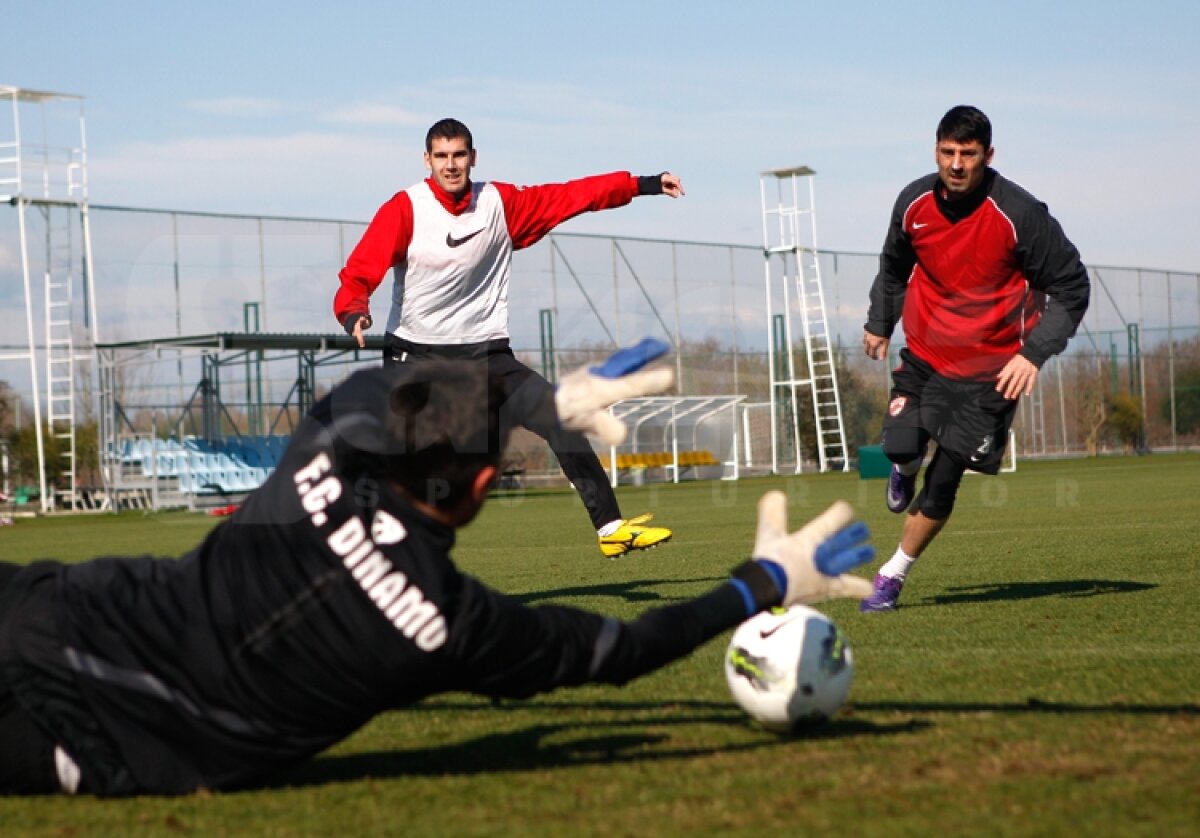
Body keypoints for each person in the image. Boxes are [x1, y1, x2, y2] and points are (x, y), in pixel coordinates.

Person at [0, 352, 875, 796]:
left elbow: (380, 390)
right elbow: (625, 646)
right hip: (101, 743)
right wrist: (764, 580)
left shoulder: (325, 455)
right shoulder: (452, 624)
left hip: (51, 605)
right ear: (486, 484)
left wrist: (534, 401)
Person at [334, 117, 683, 559]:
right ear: (427, 160)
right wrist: (353, 309)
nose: (451, 164)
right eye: (441, 156)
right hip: (417, 358)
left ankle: (611, 527)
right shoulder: (407, 207)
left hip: (487, 356)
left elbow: (574, 196)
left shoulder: (499, 203)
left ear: (472, 157)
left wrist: (644, 184)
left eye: (459, 154)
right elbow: (363, 266)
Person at [860, 105, 1090, 612]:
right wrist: (880, 320)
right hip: (927, 353)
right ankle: (903, 465)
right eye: (948, 152)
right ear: (936, 150)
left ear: (989, 155)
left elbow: (1073, 287)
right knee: (901, 445)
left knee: (945, 480)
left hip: (993, 371)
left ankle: (892, 575)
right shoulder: (914, 203)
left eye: (969, 154)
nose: (957, 164)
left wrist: (1032, 354)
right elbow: (894, 267)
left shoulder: (1021, 215)